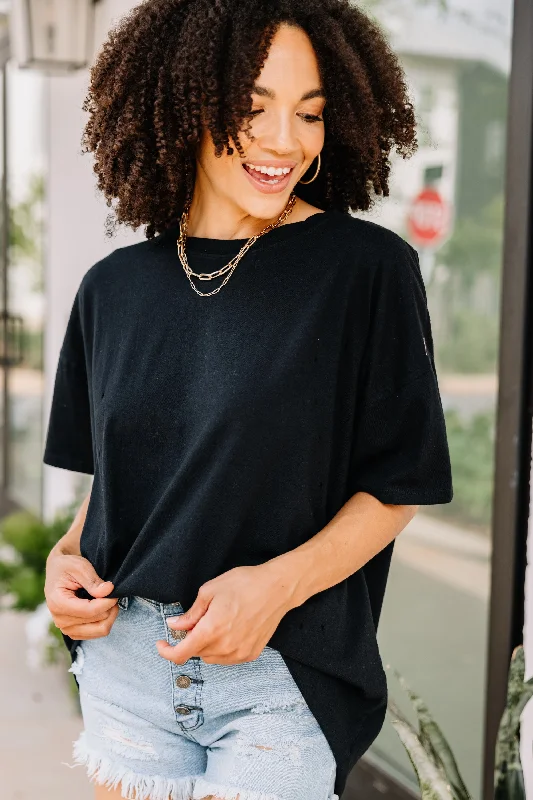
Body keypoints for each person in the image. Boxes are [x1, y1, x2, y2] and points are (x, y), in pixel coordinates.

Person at [43, 1, 453, 799]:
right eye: (250, 108)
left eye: (310, 113)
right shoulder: (112, 290)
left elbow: (398, 486)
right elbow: (117, 490)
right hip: (128, 665)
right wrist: (66, 560)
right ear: (179, 104)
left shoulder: (363, 271)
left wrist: (274, 587)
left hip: (279, 675)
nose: (285, 142)